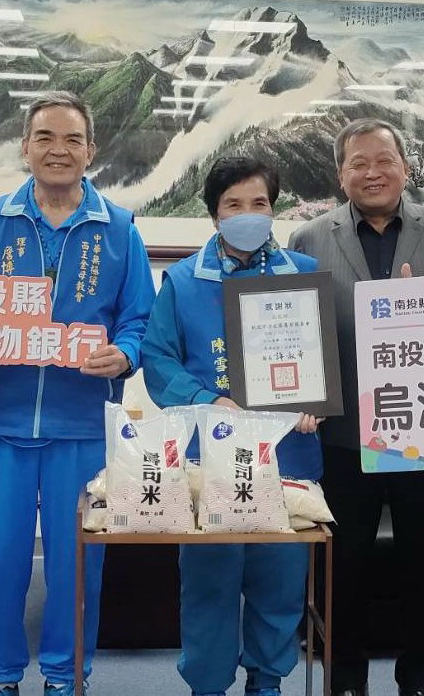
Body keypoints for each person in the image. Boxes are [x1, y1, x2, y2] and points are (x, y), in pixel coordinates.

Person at [0, 91, 155, 696]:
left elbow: (138, 319)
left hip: (81, 423)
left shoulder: (119, 227)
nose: (58, 150)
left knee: (76, 564)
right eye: (45, 137)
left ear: (91, 150)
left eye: (72, 139)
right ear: (25, 147)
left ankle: (66, 677)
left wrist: (125, 353)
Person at [288, 118, 424, 696]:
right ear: (340, 174)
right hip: (341, 435)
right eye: (359, 163)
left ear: (406, 168)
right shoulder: (308, 239)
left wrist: (423, 312)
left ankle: (420, 681)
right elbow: (296, 332)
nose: (373, 173)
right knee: (342, 571)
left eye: (385, 160)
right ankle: (345, 680)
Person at [141, 157, 325, 696]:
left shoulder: (303, 273)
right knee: (209, 585)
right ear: (214, 214)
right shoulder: (183, 281)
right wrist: (205, 400)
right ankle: (208, 685)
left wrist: (315, 402)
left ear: (274, 208)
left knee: (281, 583)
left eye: (259, 203)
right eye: (234, 204)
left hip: (288, 455)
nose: (248, 214)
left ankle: (267, 683)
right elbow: (158, 359)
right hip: (210, 457)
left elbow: (323, 358)